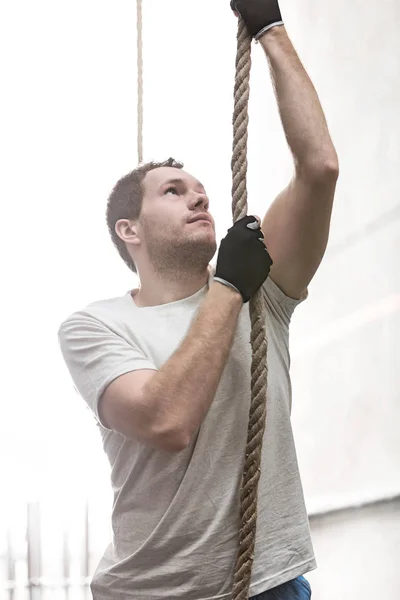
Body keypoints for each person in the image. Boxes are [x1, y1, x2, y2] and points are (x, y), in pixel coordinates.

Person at [58, 1, 339, 598]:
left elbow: (319, 168)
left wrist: (270, 30)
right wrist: (229, 287)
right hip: (151, 591)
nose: (199, 198)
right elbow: (165, 420)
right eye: (173, 191)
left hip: (270, 582)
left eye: (202, 191)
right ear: (129, 230)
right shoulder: (95, 327)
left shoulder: (265, 298)